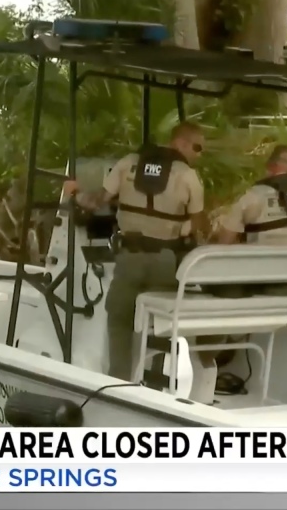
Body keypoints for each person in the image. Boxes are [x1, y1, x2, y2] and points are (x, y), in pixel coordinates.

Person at [63, 121, 210, 385]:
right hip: (166, 260)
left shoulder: (128, 162)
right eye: (197, 148)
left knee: (120, 317)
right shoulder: (187, 176)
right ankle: (154, 382)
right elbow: (199, 224)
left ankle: (119, 382)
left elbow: (97, 201)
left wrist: (75, 193)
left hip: (129, 258)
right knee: (159, 322)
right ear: (181, 143)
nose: (199, 155)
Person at [213, 144, 287, 331]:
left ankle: (225, 343)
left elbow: (222, 244)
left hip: (259, 289)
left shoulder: (253, 197)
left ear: (270, 167)